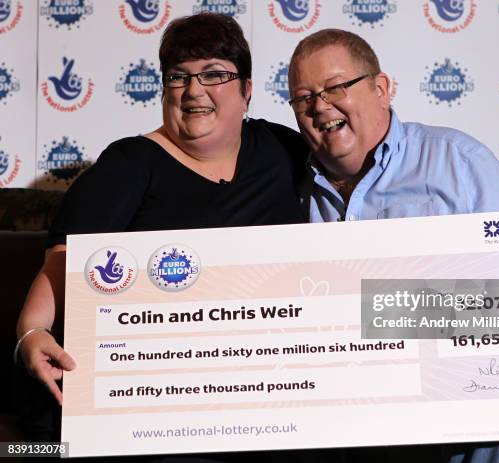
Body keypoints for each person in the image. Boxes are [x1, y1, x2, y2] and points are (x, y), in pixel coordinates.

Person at [287, 28, 499, 463]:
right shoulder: (286, 187)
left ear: (382, 88)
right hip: (345, 420)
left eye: (336, 87)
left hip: (460, 424)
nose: (319, 106)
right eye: (303, 97)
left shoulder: (457, 162)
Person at [14, 13, 308, 451]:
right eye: (179, 77)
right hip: (145, 397)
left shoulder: (284, 150)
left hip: (255, 391)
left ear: (247, 90)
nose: (193, 90)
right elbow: (64, 259)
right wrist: (31, 332)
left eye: (214, 74)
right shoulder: (130, 163)